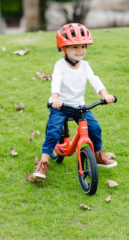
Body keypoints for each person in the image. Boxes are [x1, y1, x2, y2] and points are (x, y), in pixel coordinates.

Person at [33, 23, 117, 179]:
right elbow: (56, 81)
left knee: (95, 128)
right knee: (53, 132)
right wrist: (55, 99)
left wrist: (105, 95)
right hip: (61, 106)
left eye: (83, 46)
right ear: (64, 49)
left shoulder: (85, 66)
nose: (80, 50)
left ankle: (98, 155)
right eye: (75, 47)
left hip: (79, 106)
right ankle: (43, 164)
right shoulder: (60, 66)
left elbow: (94, 80)